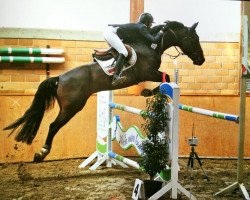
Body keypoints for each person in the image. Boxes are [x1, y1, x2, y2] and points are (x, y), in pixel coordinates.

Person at [103, 13, 167, 86]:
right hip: (111, 33)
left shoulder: (139, 26)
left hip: (110, 32)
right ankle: (116, 77)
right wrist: (162, 31)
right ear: (147, 22)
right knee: (124, 52)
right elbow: (154, 40)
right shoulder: (142, 27)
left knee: (123, 50)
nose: (151, 25)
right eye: (150, 23)